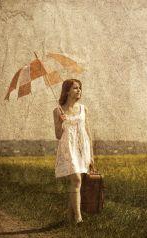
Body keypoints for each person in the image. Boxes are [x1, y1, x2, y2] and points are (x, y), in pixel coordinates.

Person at [53, 79, 95, 225]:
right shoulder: (58, 110)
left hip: (82, 147)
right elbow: (58, 135)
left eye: (80, 88)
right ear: (67, 91)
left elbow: (88, 132)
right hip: (68, 148)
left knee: (76, 181)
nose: (79, 91)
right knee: (76, 179)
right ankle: (78, 219)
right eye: (75, 88)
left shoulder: (83, 109)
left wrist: (92, 155)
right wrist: (60, 121)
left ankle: (70, 218)